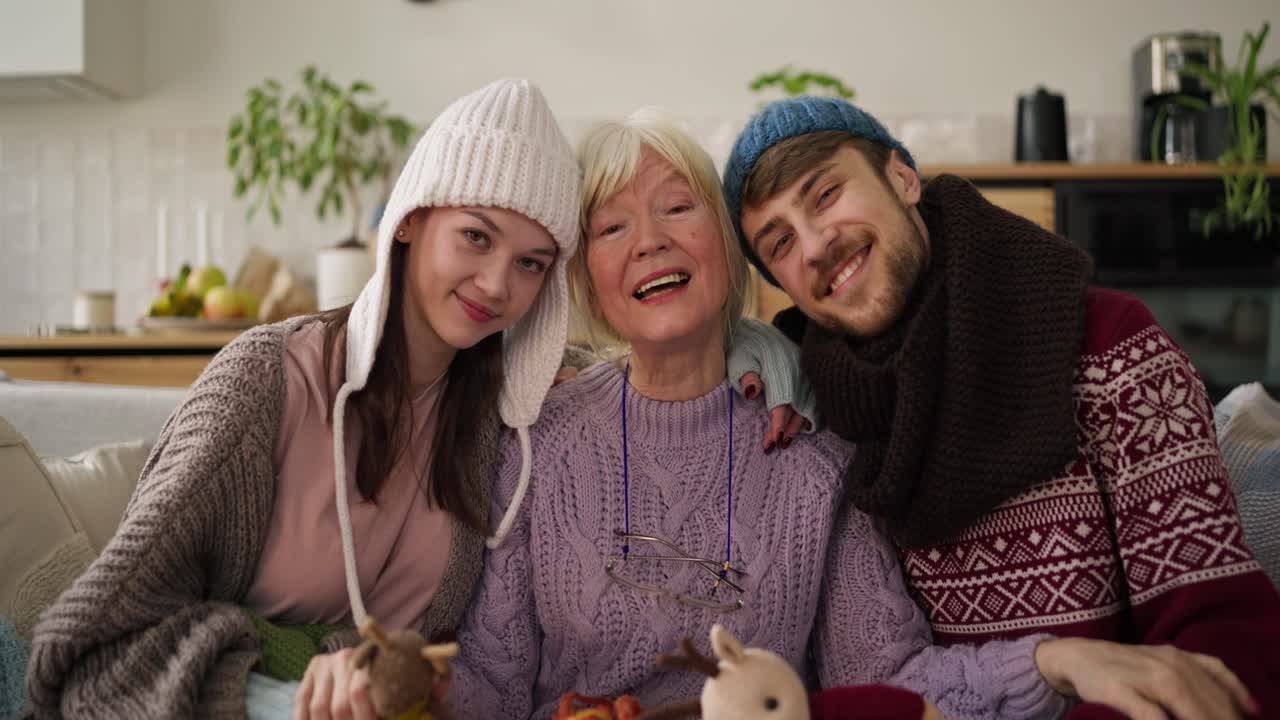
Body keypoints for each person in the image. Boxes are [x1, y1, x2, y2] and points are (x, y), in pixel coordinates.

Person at [448, 110, 1121, 720]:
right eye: (613, 226)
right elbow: (491, 684)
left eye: (678, 208)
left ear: (729, 247)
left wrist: (1052, 662)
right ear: (584, 277)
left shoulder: (815, 449)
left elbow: (886, 677)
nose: (649, 241)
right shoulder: (538, 443)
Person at [25, 78, 583, 719]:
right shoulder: (265, 381)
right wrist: (289, 693)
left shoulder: (501, 415)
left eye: (531, 263)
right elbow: (94, 642)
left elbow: (640, 367)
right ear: (410, 222)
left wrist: (732, 357)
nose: (496, 284)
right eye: (476, 238)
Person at [721, 95, 1280, 719]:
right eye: (780, 244)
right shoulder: (814, 414)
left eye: (825, 195)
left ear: (902, 177)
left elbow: (1220, 642)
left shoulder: (1109, 347)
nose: (816, 247)